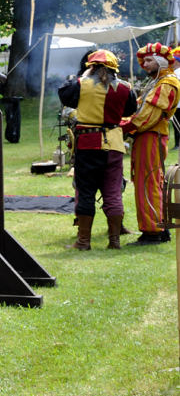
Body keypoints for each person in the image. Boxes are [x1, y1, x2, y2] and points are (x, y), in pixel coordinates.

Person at [57, 50, 137, 250]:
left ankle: (84, 241)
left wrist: (83, 76)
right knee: (113, 192)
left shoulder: (82, 84)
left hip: (88, 144)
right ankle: (114, 242)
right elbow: (129, 111)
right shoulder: (126, 87)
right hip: (115, 145)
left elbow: (65, 96)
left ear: (91, 66)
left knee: (85, 192)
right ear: (113, 68)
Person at [120, 43, 180, 246]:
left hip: (150, 136)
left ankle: (152, 232)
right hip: (149, 136)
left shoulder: (166, 83)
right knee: (152, 181)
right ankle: (159, 228)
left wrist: (122, 127)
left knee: (147, 182)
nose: (144, 64)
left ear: (161, 61)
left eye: (149, 60)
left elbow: (146, 118)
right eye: (143, 60)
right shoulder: (157, 82)